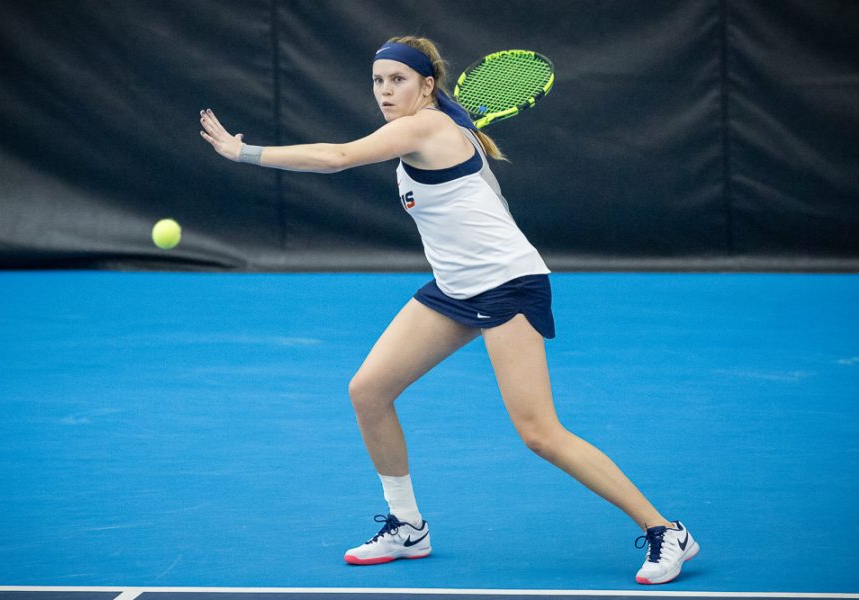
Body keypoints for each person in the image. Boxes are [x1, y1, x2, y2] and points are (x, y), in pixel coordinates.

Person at [200, 35, 699, 585]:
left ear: (427, 86)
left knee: (539, 432)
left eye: (398, 80)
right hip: (455, 287)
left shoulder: (427, 126)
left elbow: (338, 157)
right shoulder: (442, 128)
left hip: (506, 286)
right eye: (378, 81)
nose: (385, 91)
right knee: (368, 391)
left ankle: (665, 530)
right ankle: (407, 526)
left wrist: (242, 152)